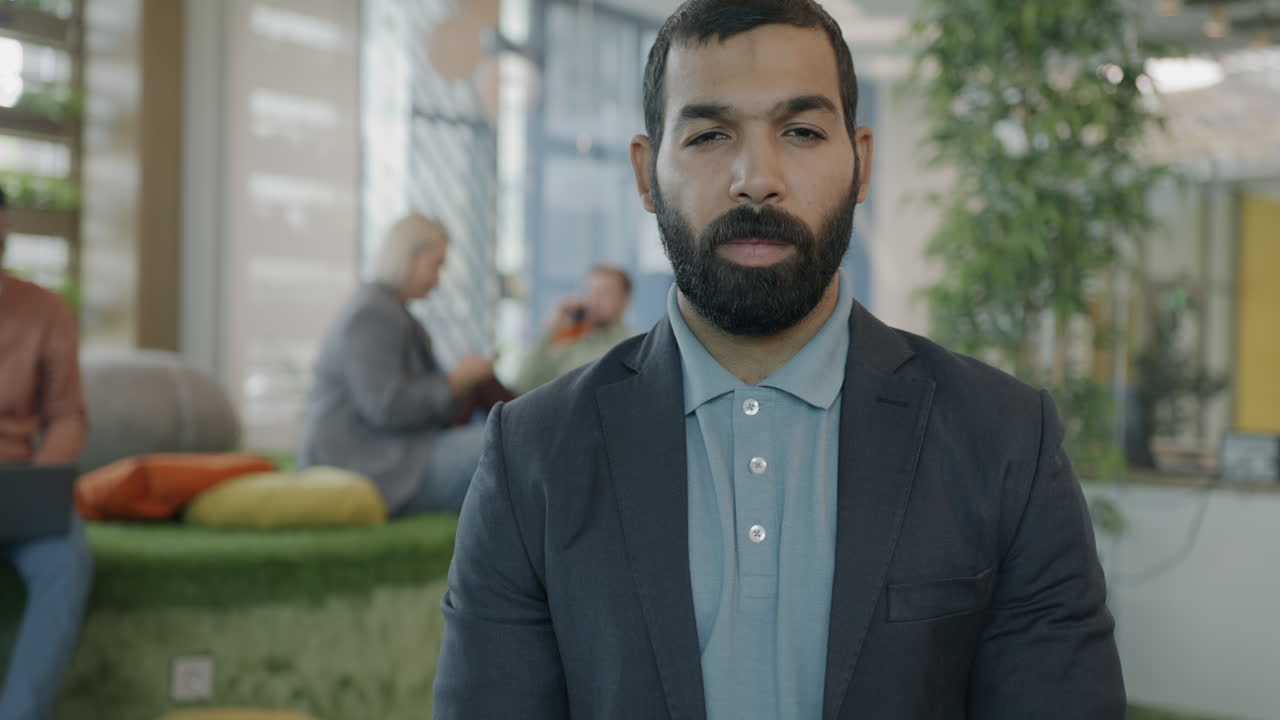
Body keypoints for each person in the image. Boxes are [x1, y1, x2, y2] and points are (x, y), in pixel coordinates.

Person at [433, 1, 1125, 718]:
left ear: (861, 163)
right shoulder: (533, 455)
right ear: (645, 174)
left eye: (800, 131)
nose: (756, 178)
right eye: (708, 134)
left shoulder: (1005, 439)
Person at [296, 214, 500, 514]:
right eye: (436, 264)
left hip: (390, 450)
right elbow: (387, 408)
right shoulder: (372, 315)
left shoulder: (388, 310)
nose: (438, 278)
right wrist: (455, 381)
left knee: (499, 442)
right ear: (409, 257)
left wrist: (458, 384)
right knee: (502, 447)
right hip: (363, 462)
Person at [0, 184, 96, 720]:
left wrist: (40, 480)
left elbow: (67, 415)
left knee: (67, 559)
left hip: (18, 482)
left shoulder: (46, 311)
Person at [510, 265, 637, 394]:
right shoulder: (570, 343)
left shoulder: (634, 346)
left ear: (625, 300)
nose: (595, 300)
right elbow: (523, 386)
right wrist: (550, 329)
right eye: (591, 292)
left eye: (605, 293)